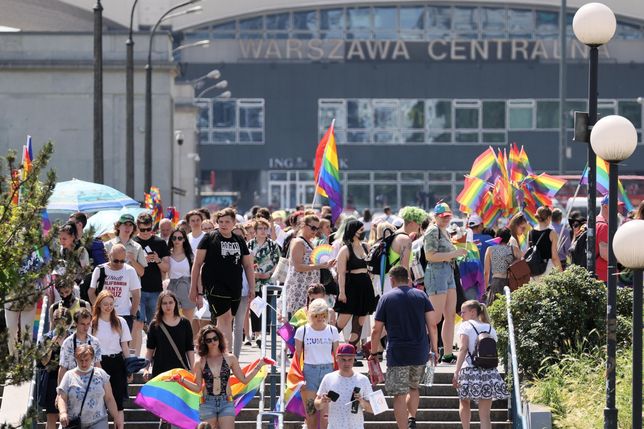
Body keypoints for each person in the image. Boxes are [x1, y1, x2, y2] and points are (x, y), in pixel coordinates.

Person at [369, 266, 436, 429]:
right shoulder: (421, 295)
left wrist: (373, 352)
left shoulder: (386, 298)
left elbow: (376, 329)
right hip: (420, 351)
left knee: (399, 394)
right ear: (408, 279)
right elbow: (432, 325)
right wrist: (434, 349)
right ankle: (412, 418)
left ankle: (403, 427)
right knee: (414, 387)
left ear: (392, 280)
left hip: (397, 353)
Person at [190, 208, 256, 348]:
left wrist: (252, 287)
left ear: (234, 223)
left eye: (227, 222)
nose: (224, 224)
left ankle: (217, 353)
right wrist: (193, 289)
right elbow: (197, 264)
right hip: (215, 285)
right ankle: (227, 356)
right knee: (225, 319)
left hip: (235, 286)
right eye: (220, 222)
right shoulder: (209, 238)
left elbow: (248, 266)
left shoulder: (238, 239)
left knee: (226, 321)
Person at [182, 325, 266, 429]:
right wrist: (181, 380)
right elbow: (198, 387)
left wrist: (260, 365)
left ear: (219, 338)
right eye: (209, 340)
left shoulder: (230, 358)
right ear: (204, 343)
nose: (213, 342)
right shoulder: (200, 362)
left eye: (215, 338)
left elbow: (244, 380)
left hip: (226, 402)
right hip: (207, 403)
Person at [453, 300, 508, 429]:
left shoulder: (465, 326)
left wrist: (456, 370)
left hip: (469, 371)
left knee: (464, 402)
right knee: (485, 416)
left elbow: (463, 348)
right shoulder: (490, 328)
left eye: (463, 312)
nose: (461, 315)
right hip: (489, 372)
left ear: (473, 312)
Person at [424, 203, 467, 364]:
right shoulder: (433, 230)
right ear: (435, 217)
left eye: (448, 216)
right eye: (443, 217)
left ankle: (447, 354)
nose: (446, 219)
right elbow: (429, 256)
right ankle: (429, 351)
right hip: (436, 273)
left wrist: (456, 252)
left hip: (447, 272)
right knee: (434, 318)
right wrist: (453, 253)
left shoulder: (445, 231)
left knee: (450, 316)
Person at [294, 298, 341, 429]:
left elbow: (337, 355)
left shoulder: (332, 330)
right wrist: (299, 377)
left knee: (327, 415)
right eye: (316, 315)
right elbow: (297, 357)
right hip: (309, 371)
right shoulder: (302, 331)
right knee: (311, 413)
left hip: (328, 371)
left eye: (323, 315)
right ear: (310, 315)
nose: (320, 318)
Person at [56, 344, 124, 429]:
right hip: (74, 422)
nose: (84, 363)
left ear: (92, 359)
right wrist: (63, 412)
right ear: (76, 359)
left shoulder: (101, 374)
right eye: (81, 360)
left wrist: (116, 417)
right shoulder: (69, 375)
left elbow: (109, 398)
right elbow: (62, 397)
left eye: (86, 360)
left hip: (98, 420)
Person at [334, 219, 376, 355]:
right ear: (353, 231)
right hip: (351, 287)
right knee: (341, 322)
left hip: (365, 286)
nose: (363, 232)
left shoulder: (366, 247)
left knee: (359, 323)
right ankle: (328, 346)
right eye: (361, 230)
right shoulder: (345, 250)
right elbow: (341, 274)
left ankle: (350, 352)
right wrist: (341, 292)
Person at [90, 290, 132, 422]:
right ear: (99, 305)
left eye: (111, 304)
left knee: (118, 401)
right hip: (99, 362)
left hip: (117, 362)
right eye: (105, 304)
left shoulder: (120, 322)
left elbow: (125, 346)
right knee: (100, 400)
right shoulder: (93, 323)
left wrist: (129, 366)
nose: (108, 307)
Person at [133, 212, 170, 355]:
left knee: (155, 325)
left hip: (155, 289)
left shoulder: (160, 243)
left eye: (148, 229)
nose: (145, 233)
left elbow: (166, 268)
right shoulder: (134, 243)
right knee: (138, 324)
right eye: (142, 230)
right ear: (138, 228)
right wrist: (142, 262)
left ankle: (156, 355)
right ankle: (135, 357)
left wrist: (158, 260)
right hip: (137, 289)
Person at [315, 343, 374, 429]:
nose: (347, 363)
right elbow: (317, 405)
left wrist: (362, 402)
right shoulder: (328, 378)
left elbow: (373, 408)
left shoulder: (363, 380)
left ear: (354, 359)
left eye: (350, 359)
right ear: (336, 358)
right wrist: (322, 401)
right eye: (343, 359)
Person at [284, 215, 334, 316]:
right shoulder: (298, 242)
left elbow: (312, 264)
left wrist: (326, 265)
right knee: (293, 321)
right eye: (313, 228)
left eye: (317, 228)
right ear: (303, 225)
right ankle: (280, 332)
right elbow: (297, 267)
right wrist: (320, 266)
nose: (315, 231)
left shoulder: (311, 243)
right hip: (297, 288)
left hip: (308, 288)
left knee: (306, 320)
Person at [88, 244, 141, 332]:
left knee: (123, 344)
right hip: (104, 315)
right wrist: (98, 309)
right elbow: (91, 292)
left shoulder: (130, 271)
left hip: (124, 315)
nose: (119, 264)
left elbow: (136, 295)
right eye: (116, 261)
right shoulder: (99, 270)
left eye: (122, 261)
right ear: (109, 256)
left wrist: (132, 315)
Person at [143, 290, 195, 380]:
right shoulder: (155, 324)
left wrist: (193, 369)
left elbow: (189, 349)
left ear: (175, 303)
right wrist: (145, 369)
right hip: (160, 371)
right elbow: (150, 350)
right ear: (160, 305)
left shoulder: (185, 323)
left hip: (180, 372)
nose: (168, 306)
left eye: (170, 302)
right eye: (164, 303)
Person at [247, 218, 281, 345]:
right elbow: (245, 262)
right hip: (253, 280)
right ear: (255, 231)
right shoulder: (249, 244)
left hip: (268, 279)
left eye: (265, 228)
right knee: (255, 306)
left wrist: (270, 273)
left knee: (267, 306)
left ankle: (264, 332)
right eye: (260, 228)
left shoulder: (273, 245)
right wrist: (254, 274)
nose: (262, 231)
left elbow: (278, 262)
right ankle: (256, 333)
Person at [38, 307, 72, 429]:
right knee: (52, 416)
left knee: (70, 417)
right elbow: (43, 361)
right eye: (58, 323)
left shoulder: (73, 338)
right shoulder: (47, 338)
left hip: (71, 380)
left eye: (64, 324)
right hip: (52, 380)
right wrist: (52, 344)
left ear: (69, 323)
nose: (61, 327)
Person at [58, 308, 102, 384]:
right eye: (82, 324)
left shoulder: (95, 342)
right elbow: (63, 368)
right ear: (75, 323)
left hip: (91, 384)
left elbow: (97, 365)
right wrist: (60, 390)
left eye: (88, 324)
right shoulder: (68, 343)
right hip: (72, 383)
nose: (86, 327)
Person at [483, 227, 521, 305]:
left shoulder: (490, 249)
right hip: (510, 281)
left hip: (496, 281)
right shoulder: (514, 249)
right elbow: (522, 262)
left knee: (495, 307)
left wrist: (486, 288)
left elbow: (486, 272)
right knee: (509, 307)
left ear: (497, 237)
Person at [103, 213, 147, 278]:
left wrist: (132, 260)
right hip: (113, 284)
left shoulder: (137, 247)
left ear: (133, 228)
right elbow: (103, 269)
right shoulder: (107, 245)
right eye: (125, 224)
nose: (127, 228)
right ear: (118, 226)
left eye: (130, 225)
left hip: (131, 286)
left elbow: (142, 273)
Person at [168, 227, 196, 324]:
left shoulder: (190, 255)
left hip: (187, 288)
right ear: (171, 239)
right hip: (171, 288)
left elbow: (196, 274)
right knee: (171, 320)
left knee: (188, 322)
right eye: (174, 238)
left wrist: (198, 292)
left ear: (184, 239)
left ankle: (187, 339)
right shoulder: (167, 255)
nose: (177, 240)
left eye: (180, 238)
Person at [528, 206, 562, 279]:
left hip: (534, 268)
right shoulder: (552, 233)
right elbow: (554, 257)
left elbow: (529, 252)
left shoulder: (530, 233)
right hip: (548, 267)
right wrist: (561, 272)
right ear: (549, 218)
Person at [596, 195, 610, 283]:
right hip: (603, 276)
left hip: (597, 273)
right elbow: (605, 254)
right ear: (605, 206)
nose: (618, 210)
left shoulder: (595, 220)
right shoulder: (603, 225)